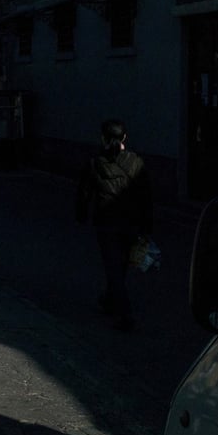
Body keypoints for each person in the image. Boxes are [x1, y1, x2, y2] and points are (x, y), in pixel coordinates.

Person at [76, 119, 153, 332]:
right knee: (121, 266)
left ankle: (124, 312)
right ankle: (110, 299)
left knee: (113, 267)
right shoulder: (136, 162)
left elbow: (84, 192)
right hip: (131, 223)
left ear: (103, 138)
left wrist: (81, 214)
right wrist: (147, 226)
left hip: (106, 222)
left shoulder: (95, 162)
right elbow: (146, 197)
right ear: (125, 137)